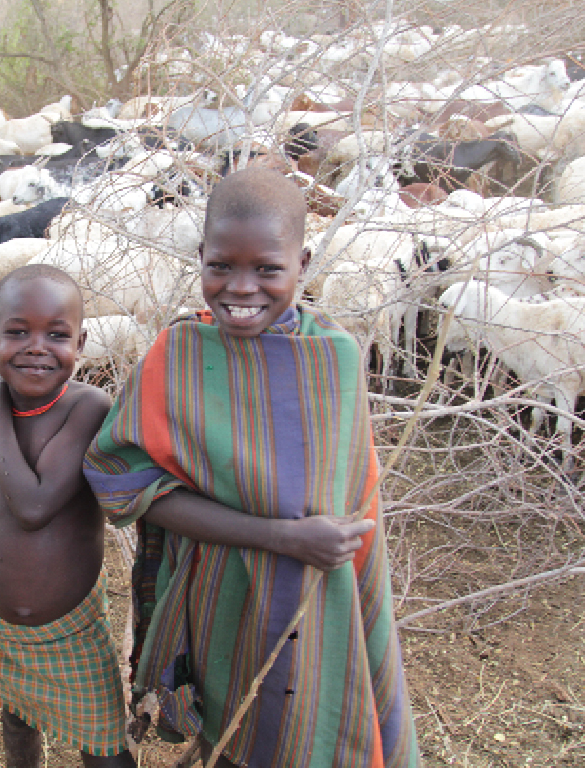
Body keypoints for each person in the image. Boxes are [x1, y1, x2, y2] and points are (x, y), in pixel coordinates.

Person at [83, 168, 419, 768]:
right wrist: (280, 535)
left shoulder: (333, 360)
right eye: (221, 267)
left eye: (267, 269)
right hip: (217, 590)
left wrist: (320, 542)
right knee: (230, 723)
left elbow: (354, 501)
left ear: (304, 263)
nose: (242, 288)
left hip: (316, 595)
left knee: (304, 723)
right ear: (200, 259)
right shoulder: (178, 356)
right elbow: (121, 480)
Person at [0, 264, 135, 767]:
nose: (36, 346)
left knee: (106, 749)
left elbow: (34, 508)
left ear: (81, 342)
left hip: (70, 629)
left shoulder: (87, 407)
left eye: (57, 334)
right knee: (16, 718)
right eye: (17, 332)